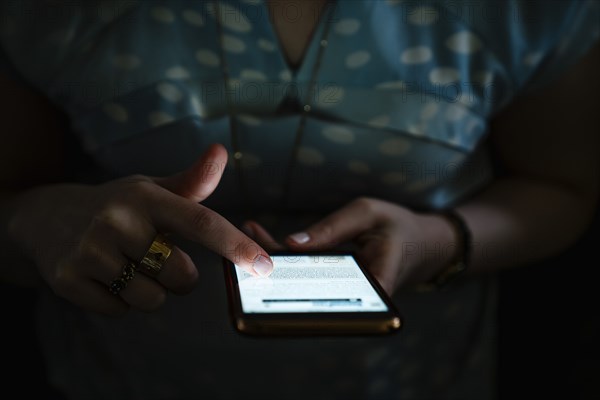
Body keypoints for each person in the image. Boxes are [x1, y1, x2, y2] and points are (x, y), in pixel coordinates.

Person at [1, 0, 598, 399]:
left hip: (414, 379)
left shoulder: (526, 12)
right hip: (125, 378)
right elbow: (13, 196)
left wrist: (441, 242)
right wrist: (38, 220)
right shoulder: (45, 13)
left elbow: (561, 186)